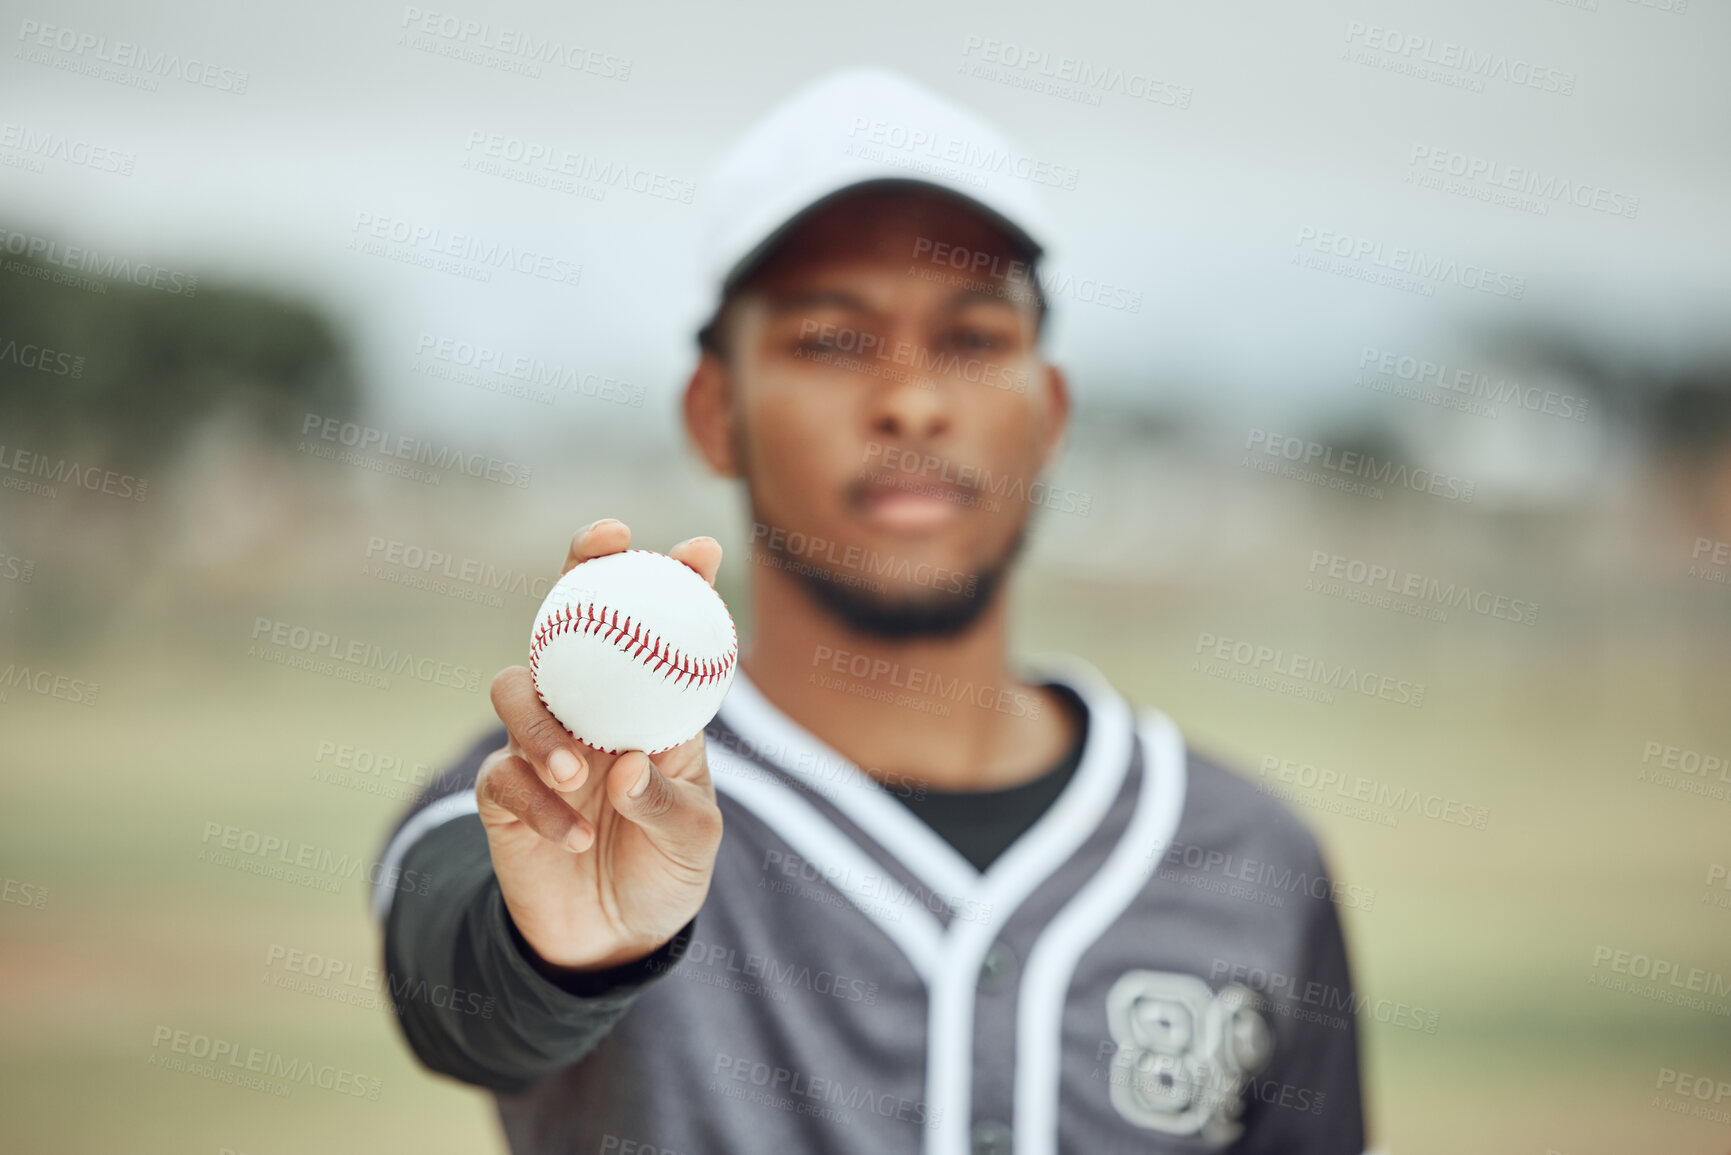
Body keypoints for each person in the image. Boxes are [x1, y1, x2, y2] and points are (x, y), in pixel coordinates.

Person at [372, 67, 1369, 1155]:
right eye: (831, 341)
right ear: (716, 410)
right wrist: (563, 958)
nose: (911, 398)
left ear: (1051, 411)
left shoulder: (1247, 852)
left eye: (976, 340)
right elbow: (458, 978)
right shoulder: (564, 803)